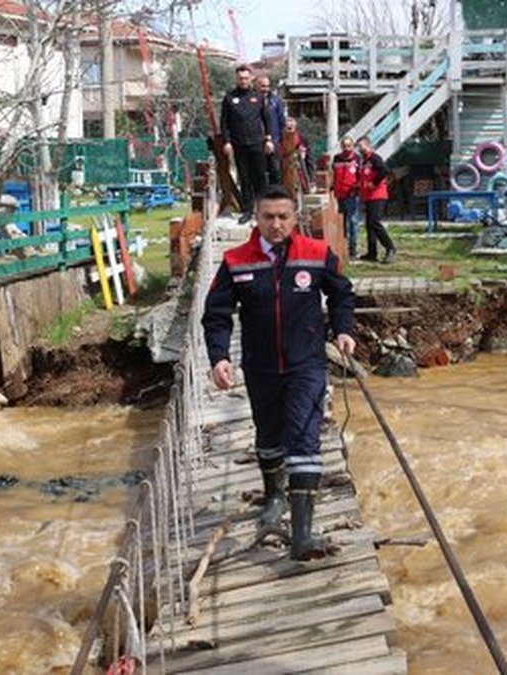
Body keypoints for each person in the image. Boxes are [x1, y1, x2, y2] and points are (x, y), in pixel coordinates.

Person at [201, 184, 357, 561]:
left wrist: (344, 328)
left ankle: (302, 535)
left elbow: (341, 294)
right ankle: (273, 496)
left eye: (283, 217)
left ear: (295, 218)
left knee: (303, 439)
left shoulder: (317, 255)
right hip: (260, 365)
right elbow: (216, 313)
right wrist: (219, 357)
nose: (276, 224)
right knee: (268, 435)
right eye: (268, 217)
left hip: (306, 364)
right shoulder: (237, 261)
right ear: (257, 218)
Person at [221, 65, 275, 224]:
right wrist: (227, 142)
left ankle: (264, 210)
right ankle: (248, 210)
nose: (243, 81)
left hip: (257, 143)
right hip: (239, 144)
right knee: (244, 178)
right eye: (240, 78)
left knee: (259, 177)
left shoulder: (258, 97)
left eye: (246, 78)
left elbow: (266, 119)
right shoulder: (229, 97)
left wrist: (269, 139)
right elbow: (224, 122)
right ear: (236, 79)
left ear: (250, 78)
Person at [356, 137, 397, 263]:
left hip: (377, 195)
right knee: (369, 225)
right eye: (358, 147)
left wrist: (374, 183)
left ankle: (390, 248)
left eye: (361, 146)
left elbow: (384, 171)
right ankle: (372, 253)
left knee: (375, 223)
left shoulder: (375, 158)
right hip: (368, 196)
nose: (360, 149)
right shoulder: (364, 161)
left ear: (368, 145)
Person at [330, 135, 362, 259]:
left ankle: (353, 249)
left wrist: (357, 189)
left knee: (353, 221)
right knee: (341, 222)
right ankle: (343, 247)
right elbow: (332, 174)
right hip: (339, 194)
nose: (346, 148)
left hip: (352, 194)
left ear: (353, 146)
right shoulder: (337, 158)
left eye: (349, 146)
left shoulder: (357, 158)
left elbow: (360, 176)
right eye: (344, 146)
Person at [257, 74, 286, 185]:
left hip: (274, 142)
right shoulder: (252, 99)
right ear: (257, 86)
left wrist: (278, 142)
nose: (265, 89)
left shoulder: (275, 100)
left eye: (267, 86)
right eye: (262, 86)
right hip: (257, 142)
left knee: (276, 171)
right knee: (259, 172)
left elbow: (281, 121)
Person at [280, 116, 310, 196]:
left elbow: (309, 157)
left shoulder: (301, 138)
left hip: (298, 167)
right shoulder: (281, 138)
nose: (290, 128)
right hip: (285, 167)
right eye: (288, 127)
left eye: (291, 126)